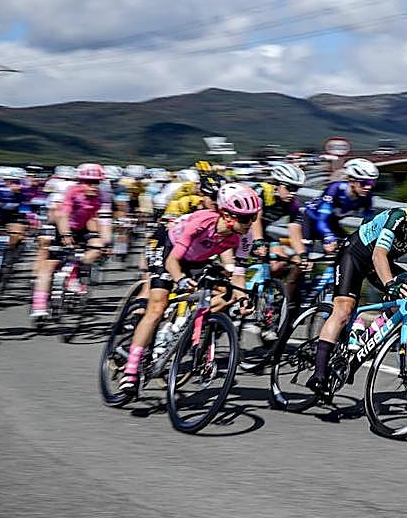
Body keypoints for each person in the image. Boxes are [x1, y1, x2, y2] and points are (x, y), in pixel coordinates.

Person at [308, 178, 407, 394]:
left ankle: (373, 332)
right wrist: (390, 284)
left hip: (381, 263)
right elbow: (379, 254)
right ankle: (319, 373)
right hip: (356, 255)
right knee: (343, 311)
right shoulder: (400, 217)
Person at [116, 183, 262, 399]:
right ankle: (130, 371)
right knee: (157, 306)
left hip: (197, 259)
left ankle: (187, 326)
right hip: (167, 247)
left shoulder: (244, 237)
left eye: (253, 217)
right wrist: (181, 279)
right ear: (226, 214)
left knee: (227, 292)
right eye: (243, 218)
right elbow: (173, 261)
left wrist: (242, 299)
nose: (249, 223)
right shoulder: (202, 221)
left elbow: (239, 277)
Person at [31, 163, 112, 320]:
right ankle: (39, 305)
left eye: (97, 182)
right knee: (49, 266)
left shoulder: (103, 196)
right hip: (63, 227)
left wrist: (107, 243)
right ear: (80, 181)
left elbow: (105, 222)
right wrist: (65, 234)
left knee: (97, 248)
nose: (94, 186)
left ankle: (75, 272)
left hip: (83, 229)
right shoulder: (72, 191)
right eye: (89, 182)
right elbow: (63, 215)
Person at [248, 161, 310, 312]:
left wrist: (302, 255)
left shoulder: (292, 204)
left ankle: (262, 292)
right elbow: (255, 218)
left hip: (265, 232)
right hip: (245, 229)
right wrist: (258, 242)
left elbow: (295, 231)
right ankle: (243, 290)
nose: (293, 193)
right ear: (277, 184)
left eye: (296, 189)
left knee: (280, 262)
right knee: (240, 265)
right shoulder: (262, 191)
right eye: (289, 188)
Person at [301, 157, 379, 253]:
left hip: (332, 223)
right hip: (312, 220)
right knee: (305, 261)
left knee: (348, 251)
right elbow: (321, 220)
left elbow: (369, 224)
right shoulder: (335, 189)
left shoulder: (367, 197)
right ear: (351, 181)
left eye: (372, 182)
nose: (368, 187)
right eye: (364, 183)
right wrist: (328, 236)